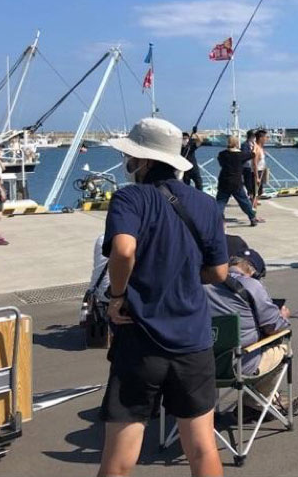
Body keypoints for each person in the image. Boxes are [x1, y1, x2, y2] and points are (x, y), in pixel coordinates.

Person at [98, 117, 228, 477]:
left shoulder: (130, 197)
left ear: (141, 160)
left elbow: (123, 251)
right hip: (194, 341)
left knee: (120, 455)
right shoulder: (204, 204)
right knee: (201, 448)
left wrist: (117, 296)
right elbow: (219, 273)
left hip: (141, 339)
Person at [204, 249, 298, 418]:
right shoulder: (252, 285)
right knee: (283, 347)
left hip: (198, 364)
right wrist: (283, 316)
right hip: (239, 366)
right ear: (253, 272)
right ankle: (255, 402)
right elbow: (274, 327)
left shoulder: (201, 284)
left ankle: (208, 409)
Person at [217, 136, 259, 226]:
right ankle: (252, 218)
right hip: (236, 182)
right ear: (236, 143)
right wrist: (255, 146)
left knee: (220, 202)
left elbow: (221, 163)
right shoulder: (241, 155)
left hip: (224, 181)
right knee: (244, 201)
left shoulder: (222, 154)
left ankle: (218, 219)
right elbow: (253, 154)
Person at [252, 129, 269, 209]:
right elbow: (254, 163)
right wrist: (257, 177)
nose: (266, 139)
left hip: (261, 171)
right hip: (257, 172)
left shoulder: (260, 148)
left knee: (260, 192)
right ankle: (253, 215)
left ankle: (253, 212)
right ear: (261, 138)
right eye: (265, 137)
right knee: (255, 194)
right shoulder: (257, 149)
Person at [241, 129, 256, 200]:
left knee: (254, 182)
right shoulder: (244, 145)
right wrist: (252, 153)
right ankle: (251, 197)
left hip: (254, 167)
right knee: (248, 182)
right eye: (254, 136)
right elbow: (244, 155)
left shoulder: (254, 144)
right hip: (247, 167)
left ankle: (253, 197)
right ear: (251, 136)